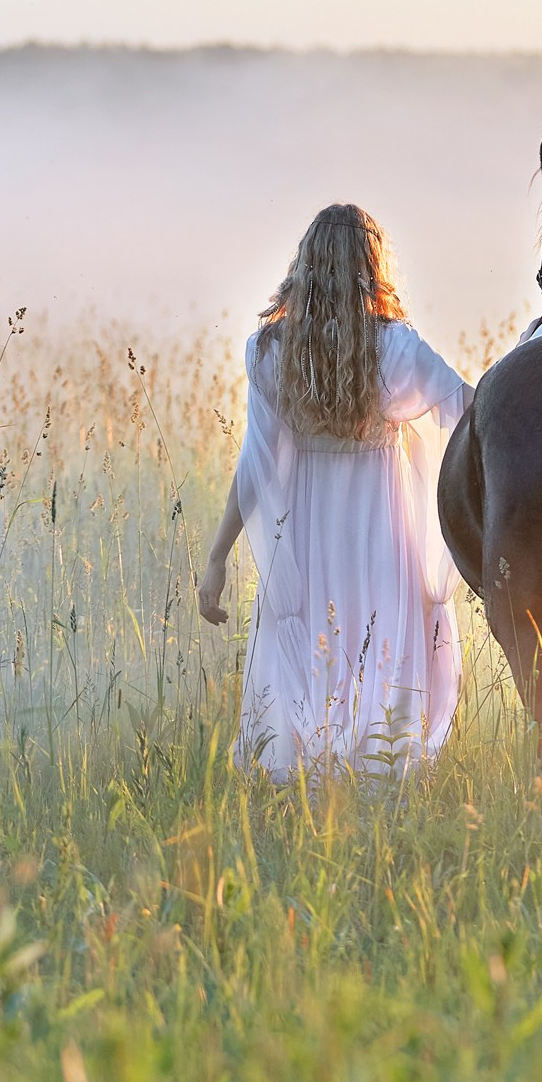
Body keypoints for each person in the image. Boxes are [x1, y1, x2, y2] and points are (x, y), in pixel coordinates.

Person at [198, 204, 473, 778]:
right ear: (372, 267)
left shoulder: (271, 351)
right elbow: (469, 412)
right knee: (381, 650)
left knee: (313, 650)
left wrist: (219, 555)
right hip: (382, 528)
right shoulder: (396, 347)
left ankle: (310, 781)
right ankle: (376, 779)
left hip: (305, 530)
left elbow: (255, 467)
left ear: (305, 264)